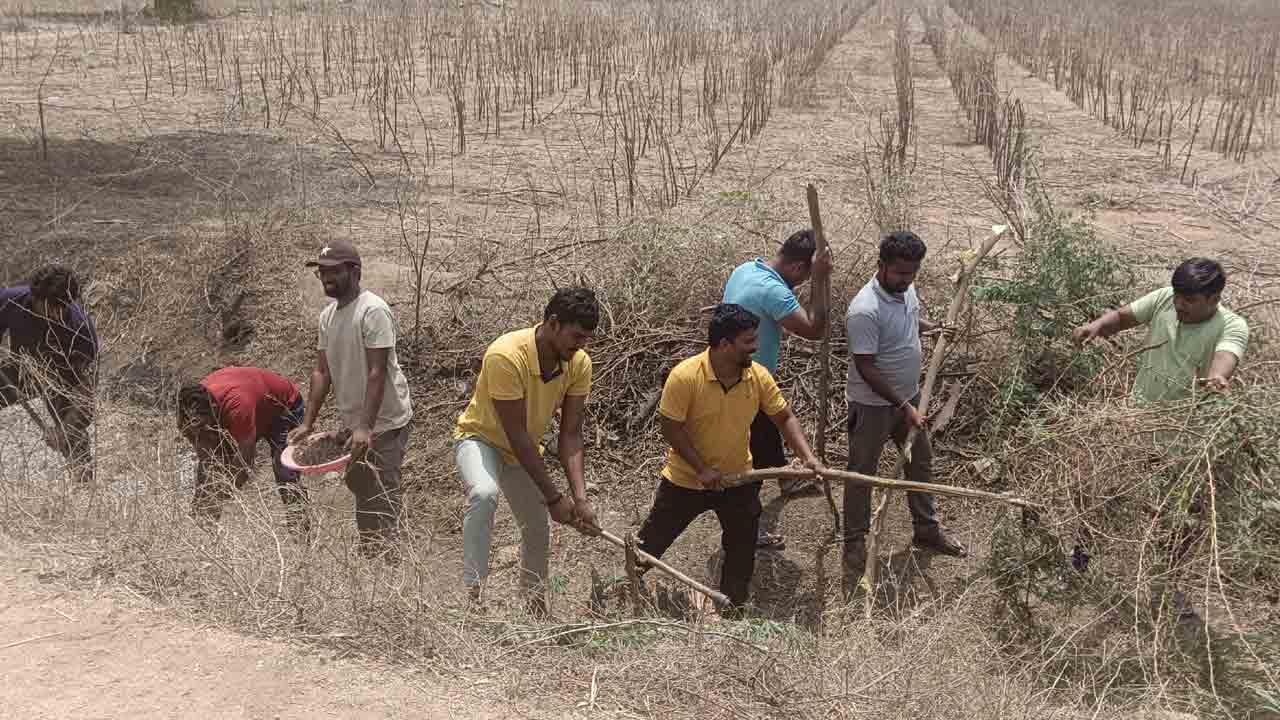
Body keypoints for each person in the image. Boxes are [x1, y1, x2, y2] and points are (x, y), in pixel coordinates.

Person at [635, 304, 823, 612]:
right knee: (652, 542)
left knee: (741, 548)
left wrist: (808, 458)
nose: (755, 348)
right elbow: (671, 427)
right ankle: (623, 583)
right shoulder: (685, 377)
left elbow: (784, 417)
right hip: (686, 481)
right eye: (748, 342)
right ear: (724, 344)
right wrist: (701, 469)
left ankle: (733, 608)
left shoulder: (757, 376)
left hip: (739, 479)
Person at [453, 288, 602, 612]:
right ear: (552, 323)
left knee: (536, 526)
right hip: (481, 441)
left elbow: (571, 435)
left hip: (522, 450)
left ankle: (533, 606)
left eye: (586, 339)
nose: (580, 346)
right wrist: (553, 498)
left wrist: (580, 499)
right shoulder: (506, 355)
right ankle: (472, 601)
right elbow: (516, 434)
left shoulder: (579, 363)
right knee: (483, 493)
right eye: (576, 336)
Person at [843, 231, 965, 585]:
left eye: (912, 274)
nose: (907, 280)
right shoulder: (864, 310)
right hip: (873, 405)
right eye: (900, 274)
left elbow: (910, 320)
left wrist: (934, 329)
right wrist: (902, 406)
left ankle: (926, 529)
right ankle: (854, 541)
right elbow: (866, 367)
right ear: (881, 266)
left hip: (910, 398)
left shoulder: (906, 289)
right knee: (861, 472)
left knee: (920, 463)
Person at [289, 240, 414, 558]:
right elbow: (322, 372)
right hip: (354, 424)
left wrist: (365, 428)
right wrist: (307, 423)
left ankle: (390, 568)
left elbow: (377, 373)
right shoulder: (328, 316)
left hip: (384, 423)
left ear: (354, 271)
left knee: (383, 496)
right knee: (361, 488)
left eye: (334, 271)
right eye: (322, 272)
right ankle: (372, 557)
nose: (326, 277)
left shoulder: (373, 311)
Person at [722, 229, 833, 549]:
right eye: (806, 275)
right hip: (745, 383)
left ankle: (786, 478)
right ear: (799, 268)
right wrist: (821, 281)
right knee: (749, 460)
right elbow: (814, 329)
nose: (803, 282)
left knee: (767, 431)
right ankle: (746, 528)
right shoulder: (773, 291)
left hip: (742, 376)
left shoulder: (746, 269)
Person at [1072, 257, 1249, 402]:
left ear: (1214, 299)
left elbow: (1225, 357)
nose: (1179, 304)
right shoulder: (1164, 297)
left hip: (1184, 430)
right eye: (1177, 296)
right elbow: (1122, 317)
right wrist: (1097, 326)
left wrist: (1216, 379)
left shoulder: (1232, 326)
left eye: (1189, 300)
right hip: (1136, 416)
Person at [177, 367, 308, 535]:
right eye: (196, 428)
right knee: (209, 478)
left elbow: (245, 465)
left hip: (282, 407)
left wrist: (218, 496)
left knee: (286, 475)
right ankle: (204, 538)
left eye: (205, 426)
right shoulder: (186, 418)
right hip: (250, 407)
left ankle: (301, 539)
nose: (200, 432)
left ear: (215, 411)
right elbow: (208, 460)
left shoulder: (237, 406)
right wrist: (203, 504)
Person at [0, 265, 98, 485]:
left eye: (63, 306)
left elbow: (85, 394)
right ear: (34, 297)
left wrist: (64, 430)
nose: (58, 313)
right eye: (52, 306)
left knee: (74, 436)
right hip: (22, 369)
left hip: (63, 382)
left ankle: (84, 490)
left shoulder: (81, 328)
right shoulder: (11, 301)